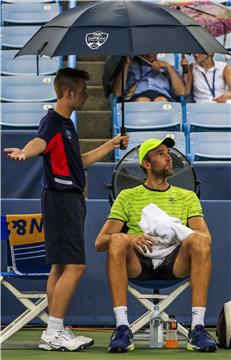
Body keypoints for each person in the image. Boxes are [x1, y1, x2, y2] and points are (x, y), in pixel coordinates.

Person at [4, 67, 129, 352]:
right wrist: (25, 150)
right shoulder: (52, 122)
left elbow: (80, 161)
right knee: (76, 266)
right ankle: (55, 331)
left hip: (69, 200)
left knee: (60, 266)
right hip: (62, 200)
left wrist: (110, 143)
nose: (86, 95)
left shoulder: (68, 126)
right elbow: (40, 142)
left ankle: (55, 328)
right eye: (83, 91)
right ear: (69, 93)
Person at [95, 137, 217, 353]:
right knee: (116, 239)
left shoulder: (187, 197)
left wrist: (173, 233)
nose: (168, 157)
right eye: (160, 154)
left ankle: (197, 328)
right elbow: (100, 242)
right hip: (138, 263)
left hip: (175, 263)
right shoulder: (127, 197)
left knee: (199, 240)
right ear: (146, 164)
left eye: (168, 153)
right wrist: (131, 238)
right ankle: (122, 327)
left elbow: (205, 237)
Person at [113, 53, 186, 102]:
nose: (150, 53)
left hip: (163, 97)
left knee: (160, 100)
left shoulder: (167, 67)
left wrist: (169, 67)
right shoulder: (131, 67)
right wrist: (126, 63)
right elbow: (117, 93)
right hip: (138, 97)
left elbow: (181, 92)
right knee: (143, 100)